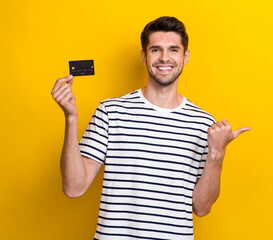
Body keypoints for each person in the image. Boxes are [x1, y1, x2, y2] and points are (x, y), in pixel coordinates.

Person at [51, 16, 250, 240]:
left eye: (173, 50)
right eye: (156, 50)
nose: (165, 58)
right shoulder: (111, 111)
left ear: (185, 57)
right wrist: (70, 117)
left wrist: (217, 154)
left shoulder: (204, 124)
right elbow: (73, 188)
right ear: (144, 56)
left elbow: (202, 207)